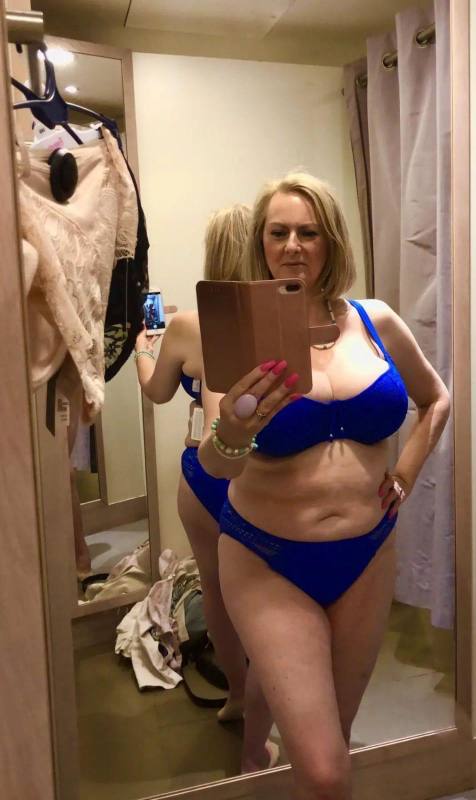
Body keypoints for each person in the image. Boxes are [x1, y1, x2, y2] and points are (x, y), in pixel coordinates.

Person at [198, 172, 451, 799]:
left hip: (367, 555)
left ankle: (262, 753)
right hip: (268, 559)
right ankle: (258, 747)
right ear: (260, 243)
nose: (292, 245)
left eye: (308, 232)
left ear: (331, 241)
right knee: (325, 769)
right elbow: (218, 465)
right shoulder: (239, 335)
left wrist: (404, 475)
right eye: (278, 232)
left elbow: (436, 399)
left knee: (335, 737)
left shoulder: (375, 321)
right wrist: (233, 429)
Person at [134, 205, 277, 771]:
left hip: (202, 471)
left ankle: (238, 697)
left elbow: (155, 391)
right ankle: (269, 713)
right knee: (270, 599)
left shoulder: (187, 326)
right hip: (265, 474)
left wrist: (147, 343)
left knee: (216, 591)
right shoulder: (283, 324)